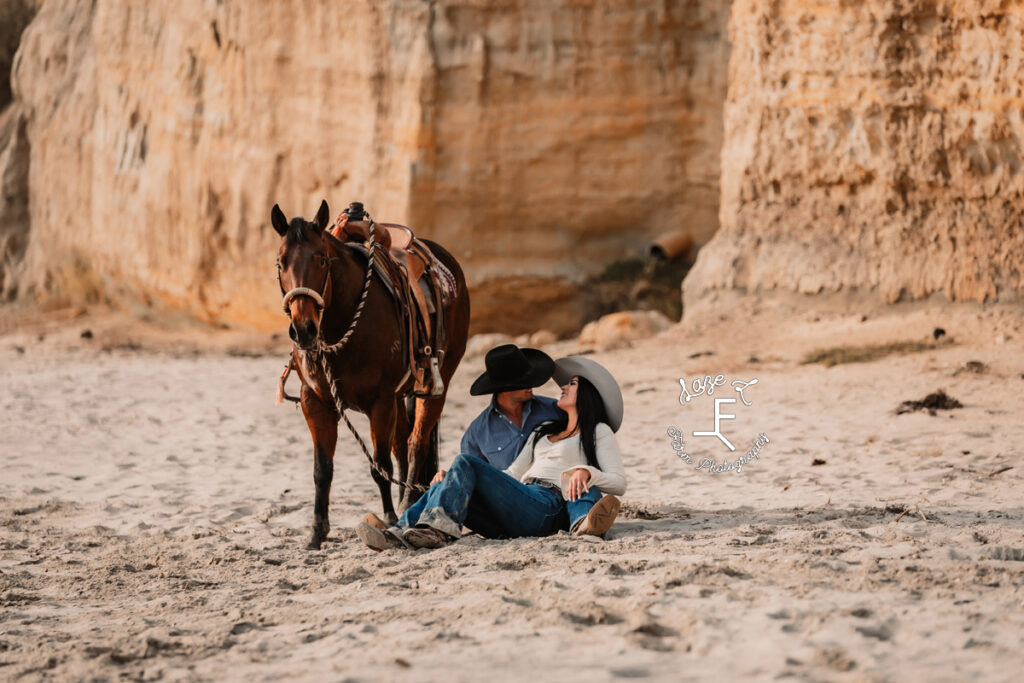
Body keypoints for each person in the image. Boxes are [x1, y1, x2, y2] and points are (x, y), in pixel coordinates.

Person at [355, 355, 626, 550]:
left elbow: (618, 482)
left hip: (547, 505)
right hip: (518, 505)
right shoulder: (543, 429)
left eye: (572, 384)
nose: (563, 386)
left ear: (587, 395)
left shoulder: (597, 431)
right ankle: (396, 534)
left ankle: (435, 530)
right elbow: (510, 474)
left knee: (464, 463)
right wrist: (455, 479)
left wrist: (585, 471)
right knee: (454, 476)